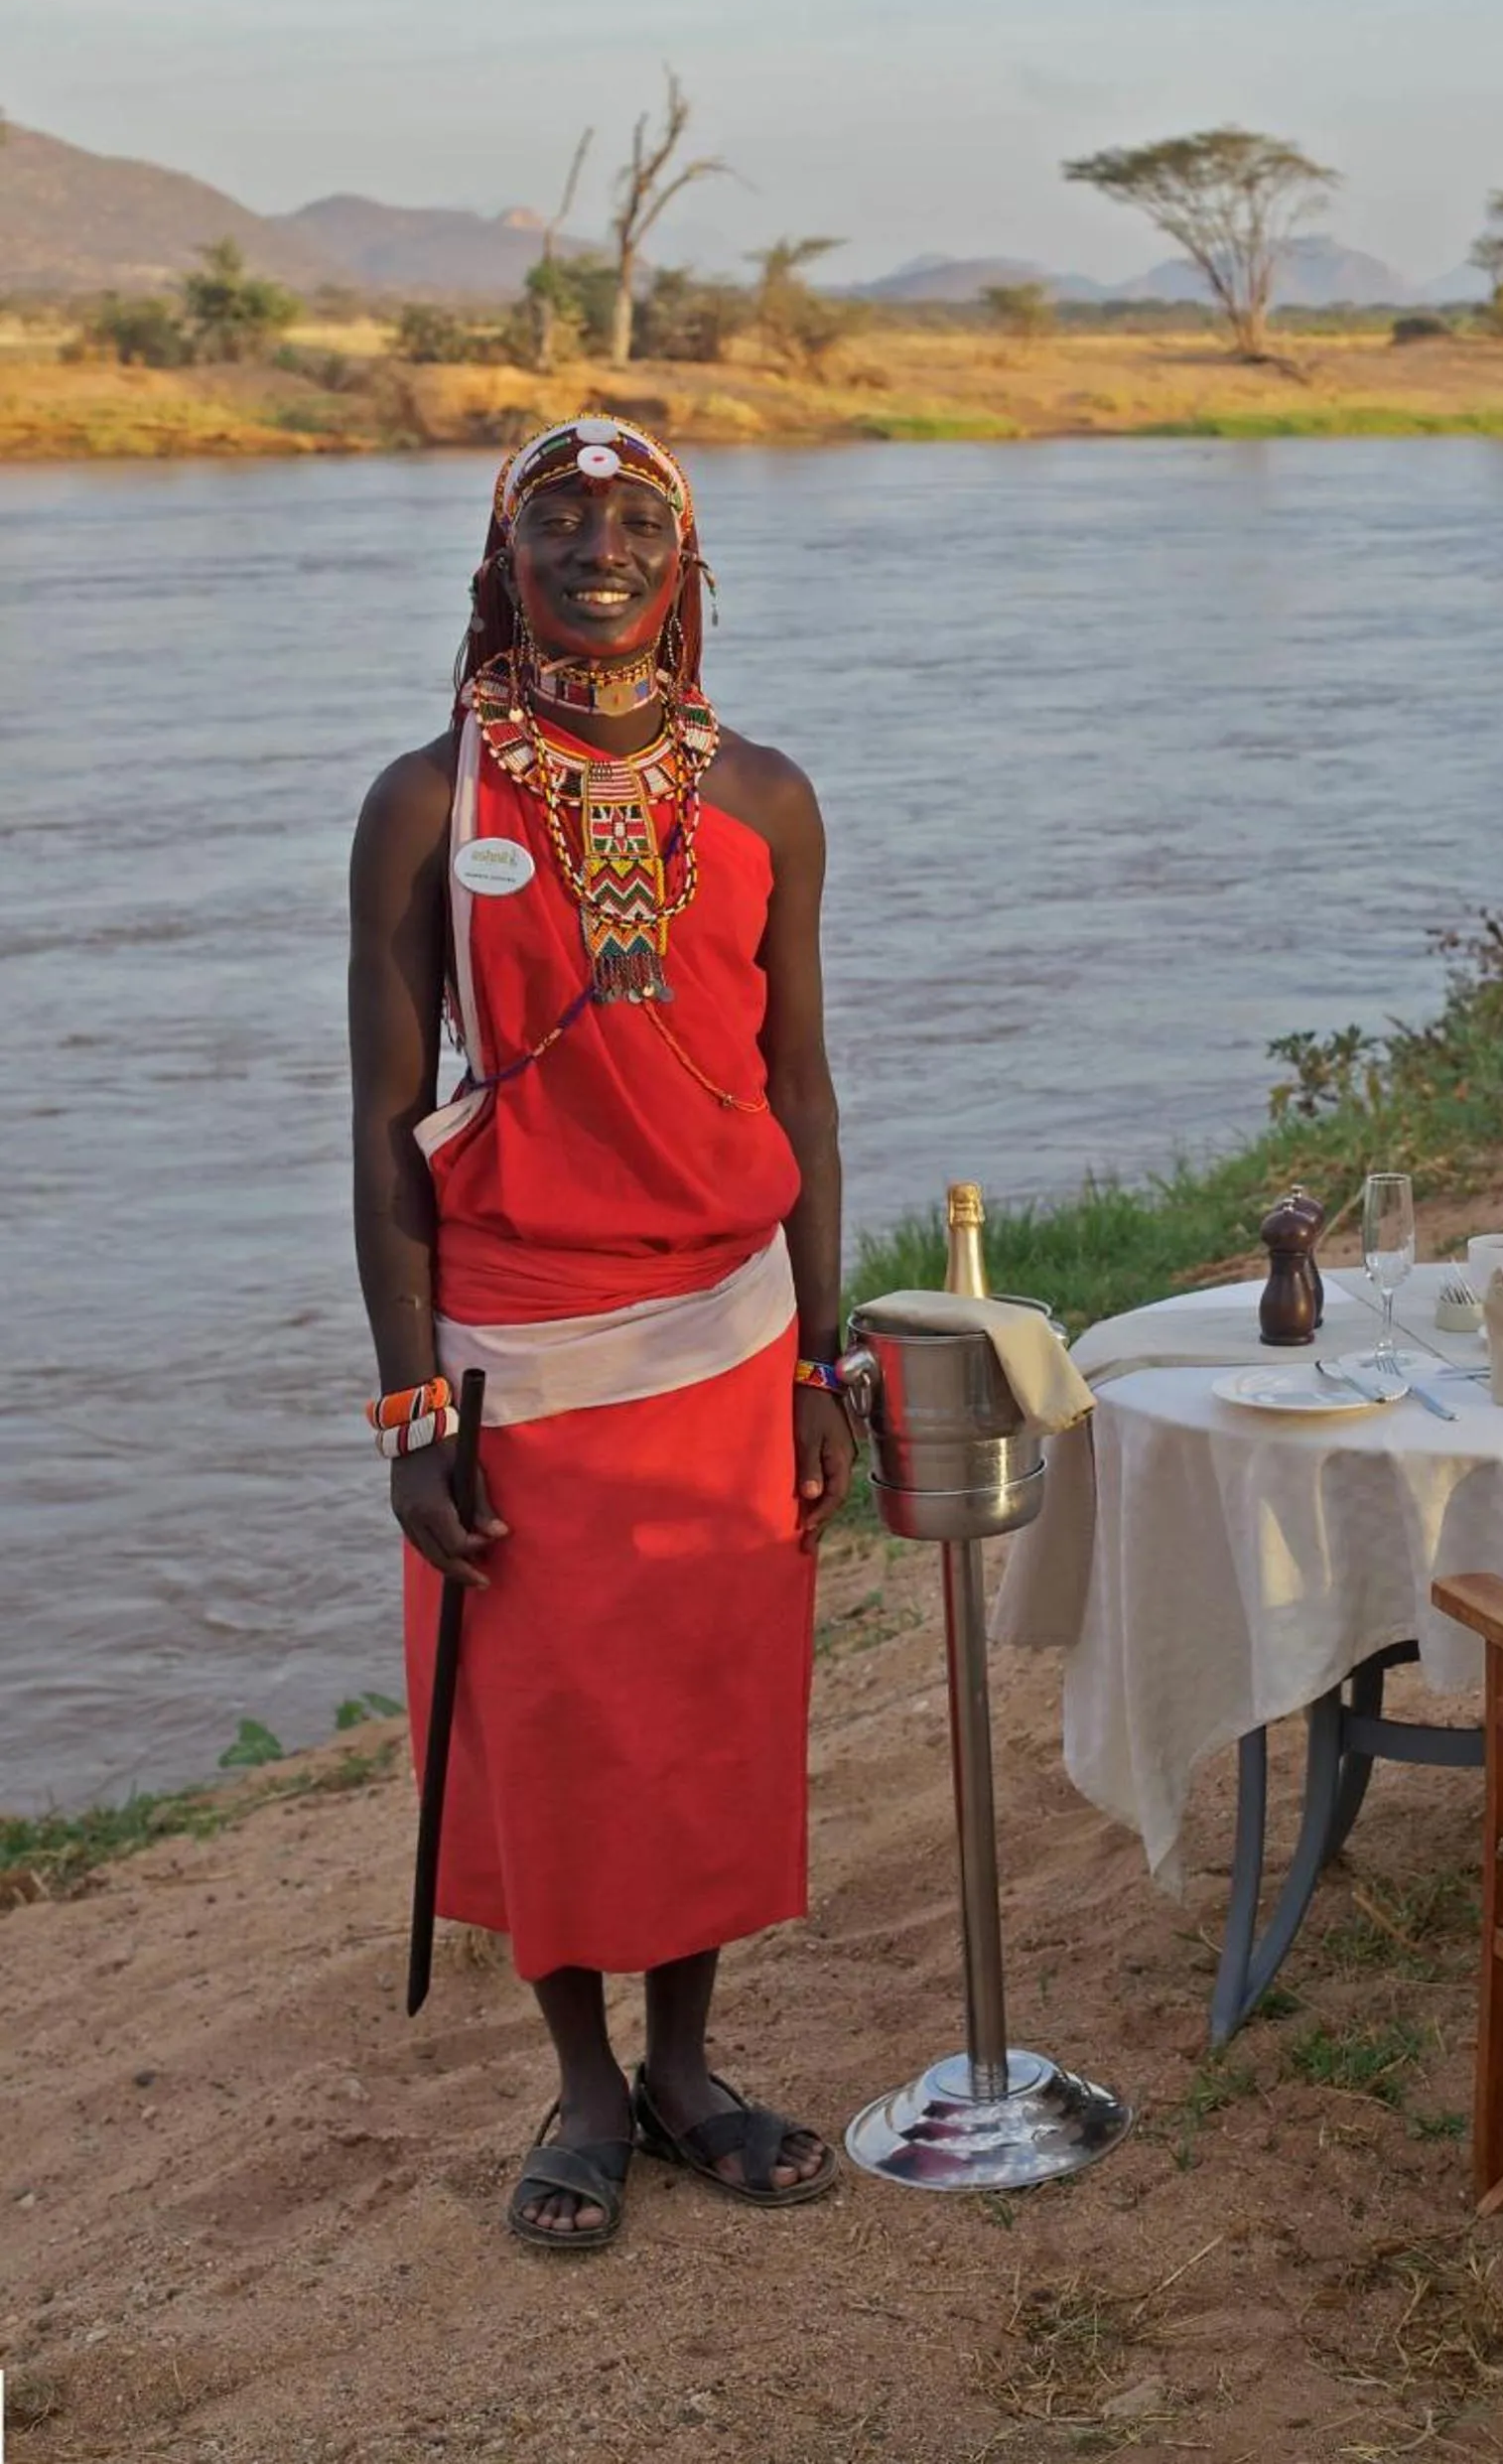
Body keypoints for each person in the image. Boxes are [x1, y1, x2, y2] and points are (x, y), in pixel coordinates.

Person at [347, 418, 855, 2248]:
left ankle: (688, 2069)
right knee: (550, 1736)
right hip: (519, 1357)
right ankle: (581, 2085)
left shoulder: (769, 796)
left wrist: (816, 1360)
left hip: (725, 1342)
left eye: (636, 518)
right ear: (505, 556)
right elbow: (383, 1118)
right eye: (557, 518)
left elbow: (802, 1090)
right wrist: (413, 1407)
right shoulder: (432, 800)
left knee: (704, 1723)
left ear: (686, 556)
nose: (598, 548)